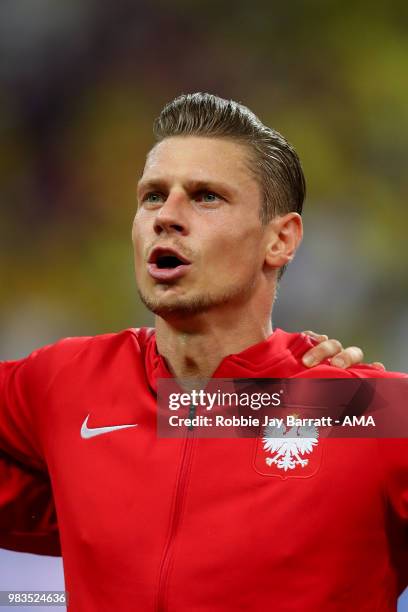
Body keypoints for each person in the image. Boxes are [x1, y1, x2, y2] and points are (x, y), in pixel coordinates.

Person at [0, 93, 405, 611]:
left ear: (279, 240)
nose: (166, 216)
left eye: (205, 196)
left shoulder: (364, 413)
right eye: (152, 196)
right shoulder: (65, 383)